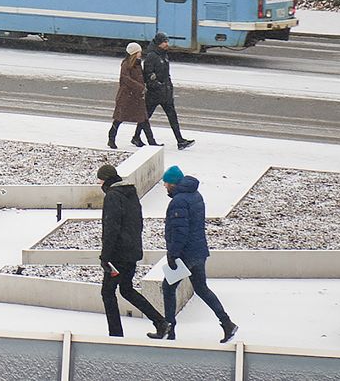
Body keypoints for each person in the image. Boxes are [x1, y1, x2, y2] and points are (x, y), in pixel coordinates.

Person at [160, 165, 238, 343]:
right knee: (202, 289)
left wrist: (173, 254)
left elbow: (180, 231)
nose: (165, 187)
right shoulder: (196, 195)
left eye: (166, 183)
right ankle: (227, 323)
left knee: (168, 289)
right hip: (198, 251)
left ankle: (168, 331)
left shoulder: (178, 201)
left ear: (173, 183)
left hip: (185, 254)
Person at [97, 163, 170, 339]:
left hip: (118, 255)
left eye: (99, 181)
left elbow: (111, 228)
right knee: (126, 289)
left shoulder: (113, 196)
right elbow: (137, 224)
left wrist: (105, 257)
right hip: (131, 251)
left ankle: (115, 334)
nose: (99, 185)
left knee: (107, 293)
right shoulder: (130, 194)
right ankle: (160, 322)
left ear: (105, 180)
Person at [143, 32, 194, 150]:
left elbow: (166, 74)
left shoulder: (164, 55)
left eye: (167, 41)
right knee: (145, 117)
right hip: (155, 94)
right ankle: (135, 137)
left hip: (166, 93)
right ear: (159, 43)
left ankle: (180, 140)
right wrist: (158, 86)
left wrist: (169, 87)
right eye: (164, 42)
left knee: (172, 117)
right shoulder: (152, 56)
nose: (167, 44)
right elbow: (148, 75)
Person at [108, 42, 159, 149]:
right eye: (139, 52)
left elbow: (139, 77)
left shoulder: (137, 64)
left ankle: (151, 141)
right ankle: (111, 139)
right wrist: (140, 87)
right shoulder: (126, 64)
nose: (140, 54)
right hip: (127, 97)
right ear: (134, 53)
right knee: (119, 119)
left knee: (144, 119)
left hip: (136, 97)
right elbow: (126, 79)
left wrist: (150, 78)